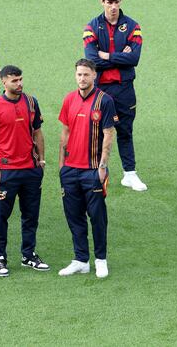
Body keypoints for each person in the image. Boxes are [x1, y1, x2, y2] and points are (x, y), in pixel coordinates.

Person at [0, 65, 48, 277]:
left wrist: (41, 160)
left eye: (20, 79)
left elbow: (37, 132)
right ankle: (0, 258)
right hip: (6, 172)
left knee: (31, 215)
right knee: (1, 216)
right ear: (3, 82)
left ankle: (28, 255)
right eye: (14, 80)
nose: (19, 84)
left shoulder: (30, 102)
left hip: (30, 170)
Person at [57, 59, 118, 278]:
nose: (82, 78)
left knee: (97, 216)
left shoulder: (105, 101)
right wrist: (62, 165)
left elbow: (109, 134)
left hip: (93, 170)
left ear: (94, 76)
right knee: (74, 216)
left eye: (86, 74)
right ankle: (80, 259)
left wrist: (102, 166)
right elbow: (65, 131)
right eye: (79, 75)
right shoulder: (69, 99)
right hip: (71, 170)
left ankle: (100, 260)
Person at [83, 0, 146, 191]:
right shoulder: (91, 27)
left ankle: (130, 174)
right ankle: (95, 171)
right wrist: (121, 56)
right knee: (97, 131)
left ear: (121, 2)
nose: (113, 7)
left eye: (116, 2)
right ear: (102, 2)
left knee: (125, 131)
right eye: (109, 2)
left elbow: (134, 58)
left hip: (124, 89)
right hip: (101, 90)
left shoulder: (133, 26)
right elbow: (92, 60)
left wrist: (107, 55)